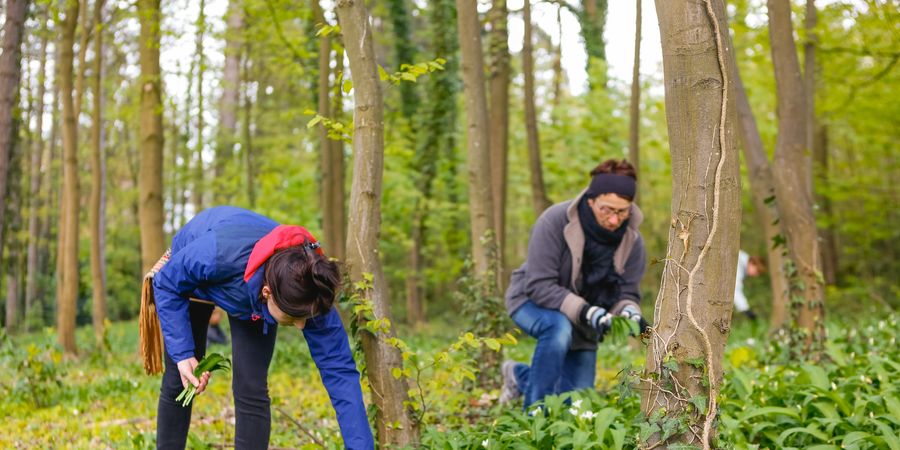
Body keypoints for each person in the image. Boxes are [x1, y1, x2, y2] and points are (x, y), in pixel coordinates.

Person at [146, 206, 374, 450]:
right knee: (180, 381)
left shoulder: (312, 293)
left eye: (304, 317)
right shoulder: (214, 254)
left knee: (251, 386)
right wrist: (183, 355)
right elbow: (167, 282)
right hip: (193, 277)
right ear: (268, 293)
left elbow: (339, 372)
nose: (300, 326)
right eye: (293, 317)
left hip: (249, 286)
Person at [500, 159, 647, 408]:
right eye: (607, 210)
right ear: (591, 200)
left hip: (585, 320)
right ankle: (535, 416)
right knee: (558, 329)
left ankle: (518, 376)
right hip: (531, 301)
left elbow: (627, 292)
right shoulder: (555, 220)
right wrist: (588, 312)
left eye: (622, 212)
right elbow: (538, 284)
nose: (614, 220)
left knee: (575, 401)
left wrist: (629, 312)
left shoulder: (633, 241)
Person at [734, 250, 764, 320]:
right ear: (752, 263)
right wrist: (745, 309)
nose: (756, 275)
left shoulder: (742, 265)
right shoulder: (739, 263)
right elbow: (735, 289)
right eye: (757, 271)